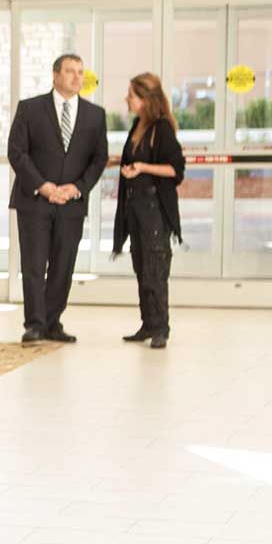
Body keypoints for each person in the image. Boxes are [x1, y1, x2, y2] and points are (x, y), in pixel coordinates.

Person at [7, 53, 109, 344]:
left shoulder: (95, 115)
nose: (77, 77)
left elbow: (99, 158)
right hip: (35, 200)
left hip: (72, 203)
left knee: (63, 265)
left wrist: (76, 188)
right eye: (70, 71)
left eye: (80, 72)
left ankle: (53, 322)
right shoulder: (30, 109)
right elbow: (17, 152)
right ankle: (35, 324)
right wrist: (43, 185)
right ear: (55, 75)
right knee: (34, 265)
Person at [113, 73, 186, 349]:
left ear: (145, 99)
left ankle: (161, 328)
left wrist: (143, 168)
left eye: (131, 94)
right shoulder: (138, 125)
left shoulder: (161, 128)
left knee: (155, 268)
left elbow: (175, 170)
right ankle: (147, 323)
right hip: (136, 209)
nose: (127, 99)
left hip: (155, 209)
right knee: (141, 266)